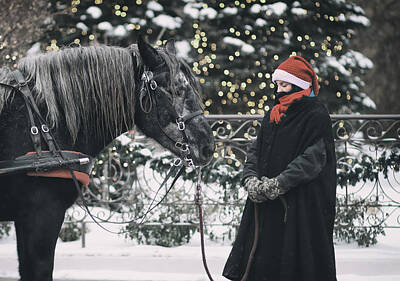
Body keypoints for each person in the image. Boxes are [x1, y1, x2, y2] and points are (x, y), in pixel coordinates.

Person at [222, 56, 337, 281]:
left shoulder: (316, 114)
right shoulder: (273, 113)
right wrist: (250, 178)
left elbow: (313, 159)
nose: (279, 90)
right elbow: (256, 149)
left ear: (299, 85)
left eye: (284, 85)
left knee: (295, 265)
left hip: (299, 207)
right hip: (266, 203)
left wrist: (280, 183)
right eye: (278, 85)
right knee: (263, 260)